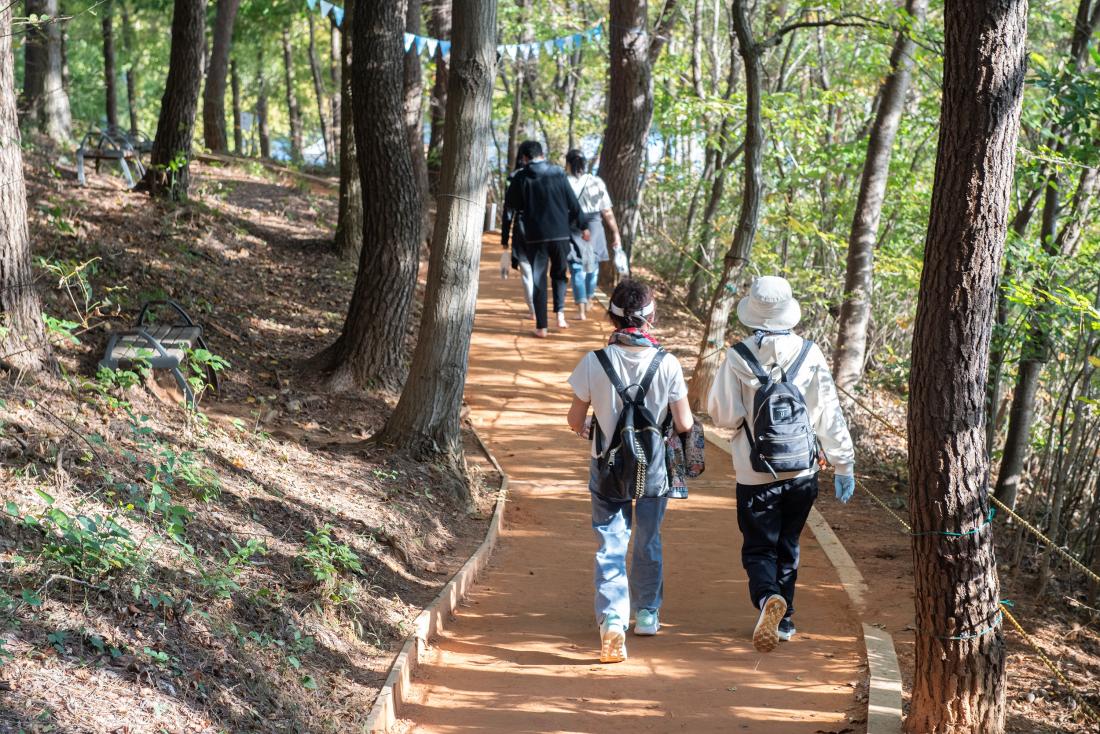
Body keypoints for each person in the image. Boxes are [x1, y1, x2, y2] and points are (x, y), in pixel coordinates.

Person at [707, 276, 856, 653]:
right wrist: (843, 464)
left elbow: (722, 415)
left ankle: (767, 598)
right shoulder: (810, 353)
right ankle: (785, 620)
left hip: (754, 470)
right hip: (803, 471)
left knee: (759, 547)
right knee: (789, 543)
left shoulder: (737, 357)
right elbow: (829, 415)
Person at [567, 280, 693, 663]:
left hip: (608, 467)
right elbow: (684, 422)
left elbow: (575, 420)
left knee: (611, 543)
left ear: (611, 316)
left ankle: (612, 621)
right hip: (654, 470)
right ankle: (648, 614)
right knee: (648, 539)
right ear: (651, 318)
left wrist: (594, 425)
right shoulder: (667, 363)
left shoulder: (594, 361)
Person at [504, 140, 588, 337]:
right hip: (560, 234)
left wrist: (505, 237)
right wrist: (583, 225)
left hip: (534, 236)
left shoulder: (521, 177)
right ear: (542, 154)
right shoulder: (558, 173)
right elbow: (572, 202)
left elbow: (510, 207)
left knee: (538, 279)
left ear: (524, 157)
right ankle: (559, 315)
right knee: (559, 274)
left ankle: (541, 327)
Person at [565, 149, 623, 321]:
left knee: (576, 269)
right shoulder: (596, 182)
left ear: (568, 163)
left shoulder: (564, 181)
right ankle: (589, 299)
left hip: (573, 226)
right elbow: (607, 210)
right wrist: (615, 233)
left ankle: (581, 310)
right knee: (592, 268)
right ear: (584, 164)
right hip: (594, 226)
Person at [500, 155, 535, 319]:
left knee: (527, 273)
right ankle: (540, 310)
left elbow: (508, 211)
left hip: (521, 229)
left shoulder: (513, 178)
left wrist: (505, 239)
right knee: (538, 272)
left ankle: (532, 310)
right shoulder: (543, 177)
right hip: (541, 230)